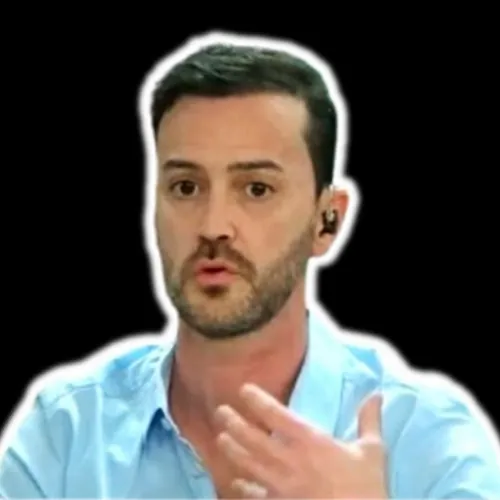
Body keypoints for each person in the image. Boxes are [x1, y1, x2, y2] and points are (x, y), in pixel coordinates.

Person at [1, 32, 499, 499]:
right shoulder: (66, 435)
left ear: (326, 221)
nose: (213, 225)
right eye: (186, 187)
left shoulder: (427, 443)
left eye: (257, 189)